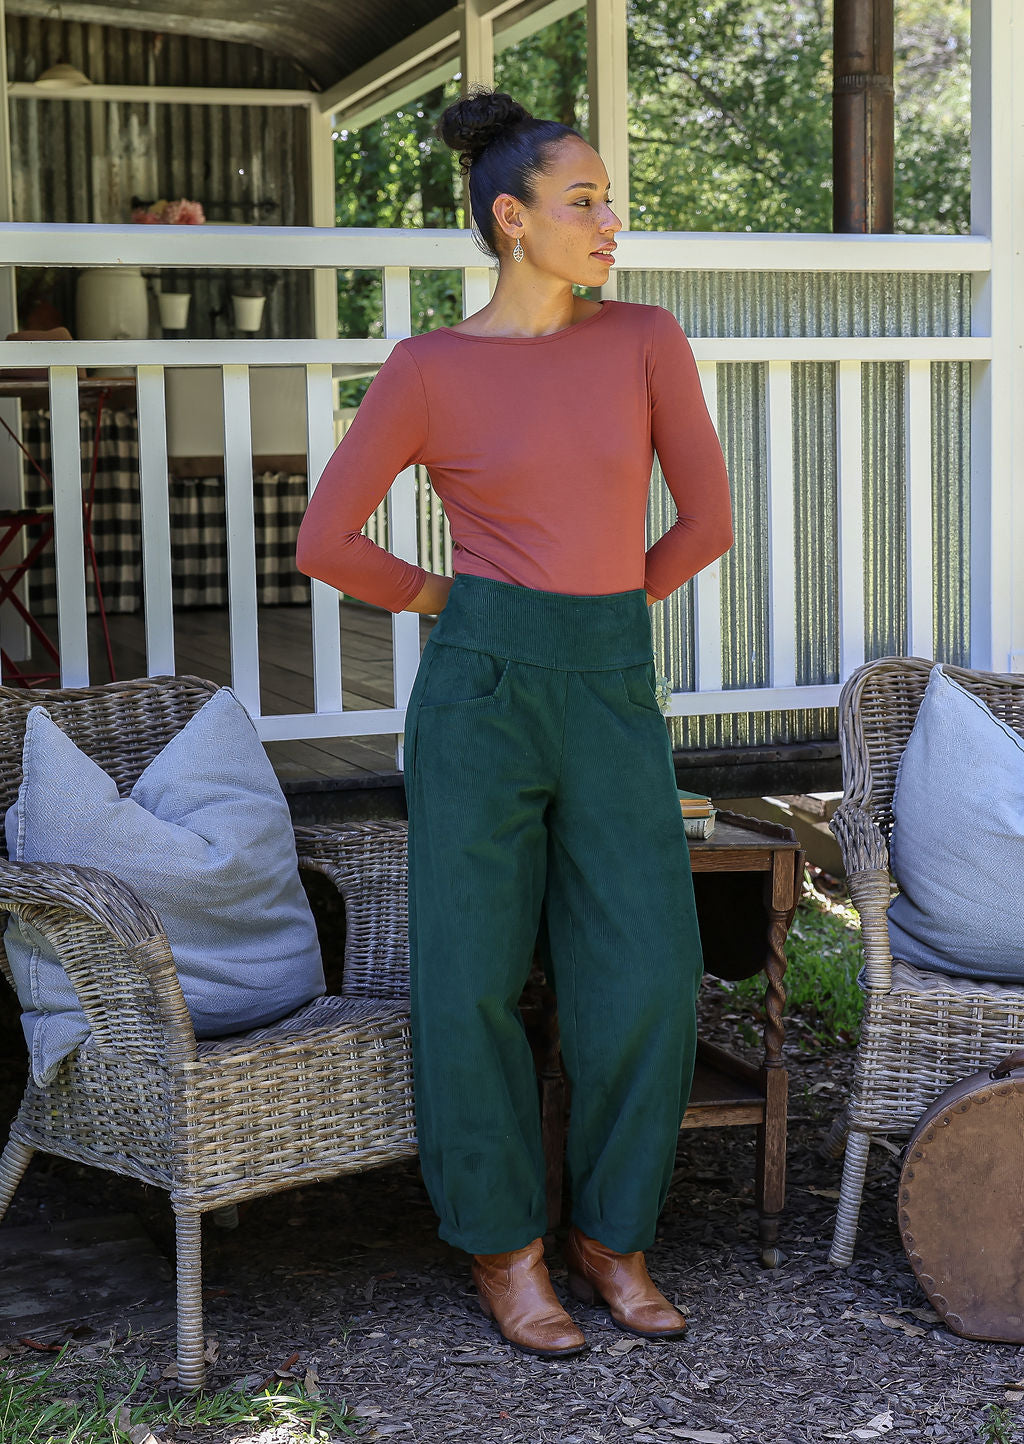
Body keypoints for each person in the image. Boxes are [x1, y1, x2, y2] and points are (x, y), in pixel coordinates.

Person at [296, 88, 733, 1360]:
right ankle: (504, 1248)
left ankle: (612, 1235)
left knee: (645, 971)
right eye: (582, 200)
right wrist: (459, 602)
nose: (609, 222)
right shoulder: (430, 369)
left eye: (610, 200)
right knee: (472, 978)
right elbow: (327, 539)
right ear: (511, 217)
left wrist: (600, 618)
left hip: (608, 683)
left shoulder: (644, 339)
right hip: (479, 699)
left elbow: (706, 521)